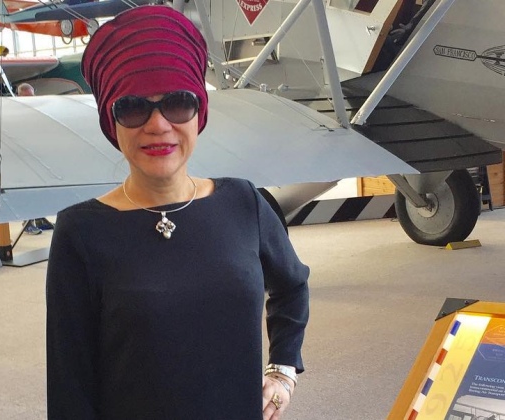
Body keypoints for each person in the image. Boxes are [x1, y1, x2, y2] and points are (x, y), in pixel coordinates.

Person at [46, 6, 309, 420]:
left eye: (178, 103)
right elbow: (70, 385)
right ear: (111, 121)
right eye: (133, 107)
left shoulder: (243, 203)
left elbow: (292, 286)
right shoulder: (82, 232)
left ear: (199, 110)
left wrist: (283, 372)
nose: (158, 125)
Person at [17, 82, 55, 232]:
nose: (31, 100)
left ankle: (39, 218)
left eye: (32, 97)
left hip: (37, 155)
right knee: (27, 189)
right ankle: (28, 222)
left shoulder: (36, 111)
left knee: (41, 187)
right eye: (26, 97)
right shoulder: (15, 113)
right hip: (23, 158)